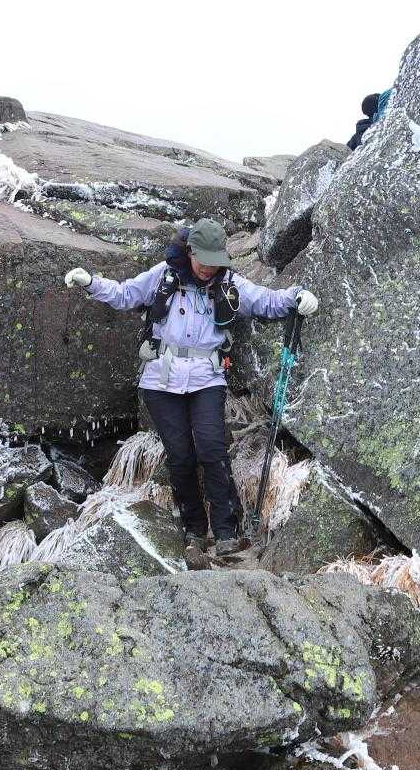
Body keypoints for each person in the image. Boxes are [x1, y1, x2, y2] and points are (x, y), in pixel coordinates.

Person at [64, 219, 318, 551]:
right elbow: (125, 294)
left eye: (215, 262)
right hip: (160, 381)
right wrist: (91, 283)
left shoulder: (229, 284)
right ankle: (194, 530)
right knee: (181, 457)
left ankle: (226, 533)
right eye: (203, 261)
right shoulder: (163, 276)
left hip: (207, 378)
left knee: (213, 450)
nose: (208, 268)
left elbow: (266, 301)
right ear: (190, 252)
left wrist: (297, 296)